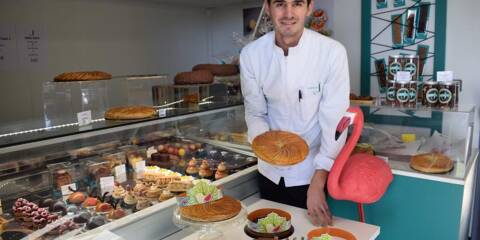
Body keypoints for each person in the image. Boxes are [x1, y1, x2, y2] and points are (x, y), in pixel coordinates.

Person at [239, 0, 350, 226]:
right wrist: (268, 149)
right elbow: (255, 112)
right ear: (268, 8)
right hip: (268, 172)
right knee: (271, 231)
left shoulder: (331, 53)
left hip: (310, 174)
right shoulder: (251, 55)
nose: (288, 13)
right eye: (280, 4)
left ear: (309, 8)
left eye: (297, 3)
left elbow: (335, 122)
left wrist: (318, 182)